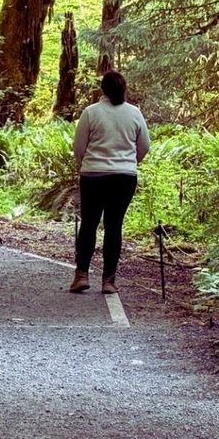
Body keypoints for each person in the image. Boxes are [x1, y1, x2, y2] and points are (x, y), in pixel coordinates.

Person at [70, 70, 149, 294]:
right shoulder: (134, 113)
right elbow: (144, 146)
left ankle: (82, 275)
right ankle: (109, 281)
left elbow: (79, 147)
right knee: (114, 226)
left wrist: (85, 165)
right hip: (124, 177)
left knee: (89, 224)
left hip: (93, 176)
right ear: (124, 89)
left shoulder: (91, 113)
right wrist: (130, 162)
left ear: (102, 89)